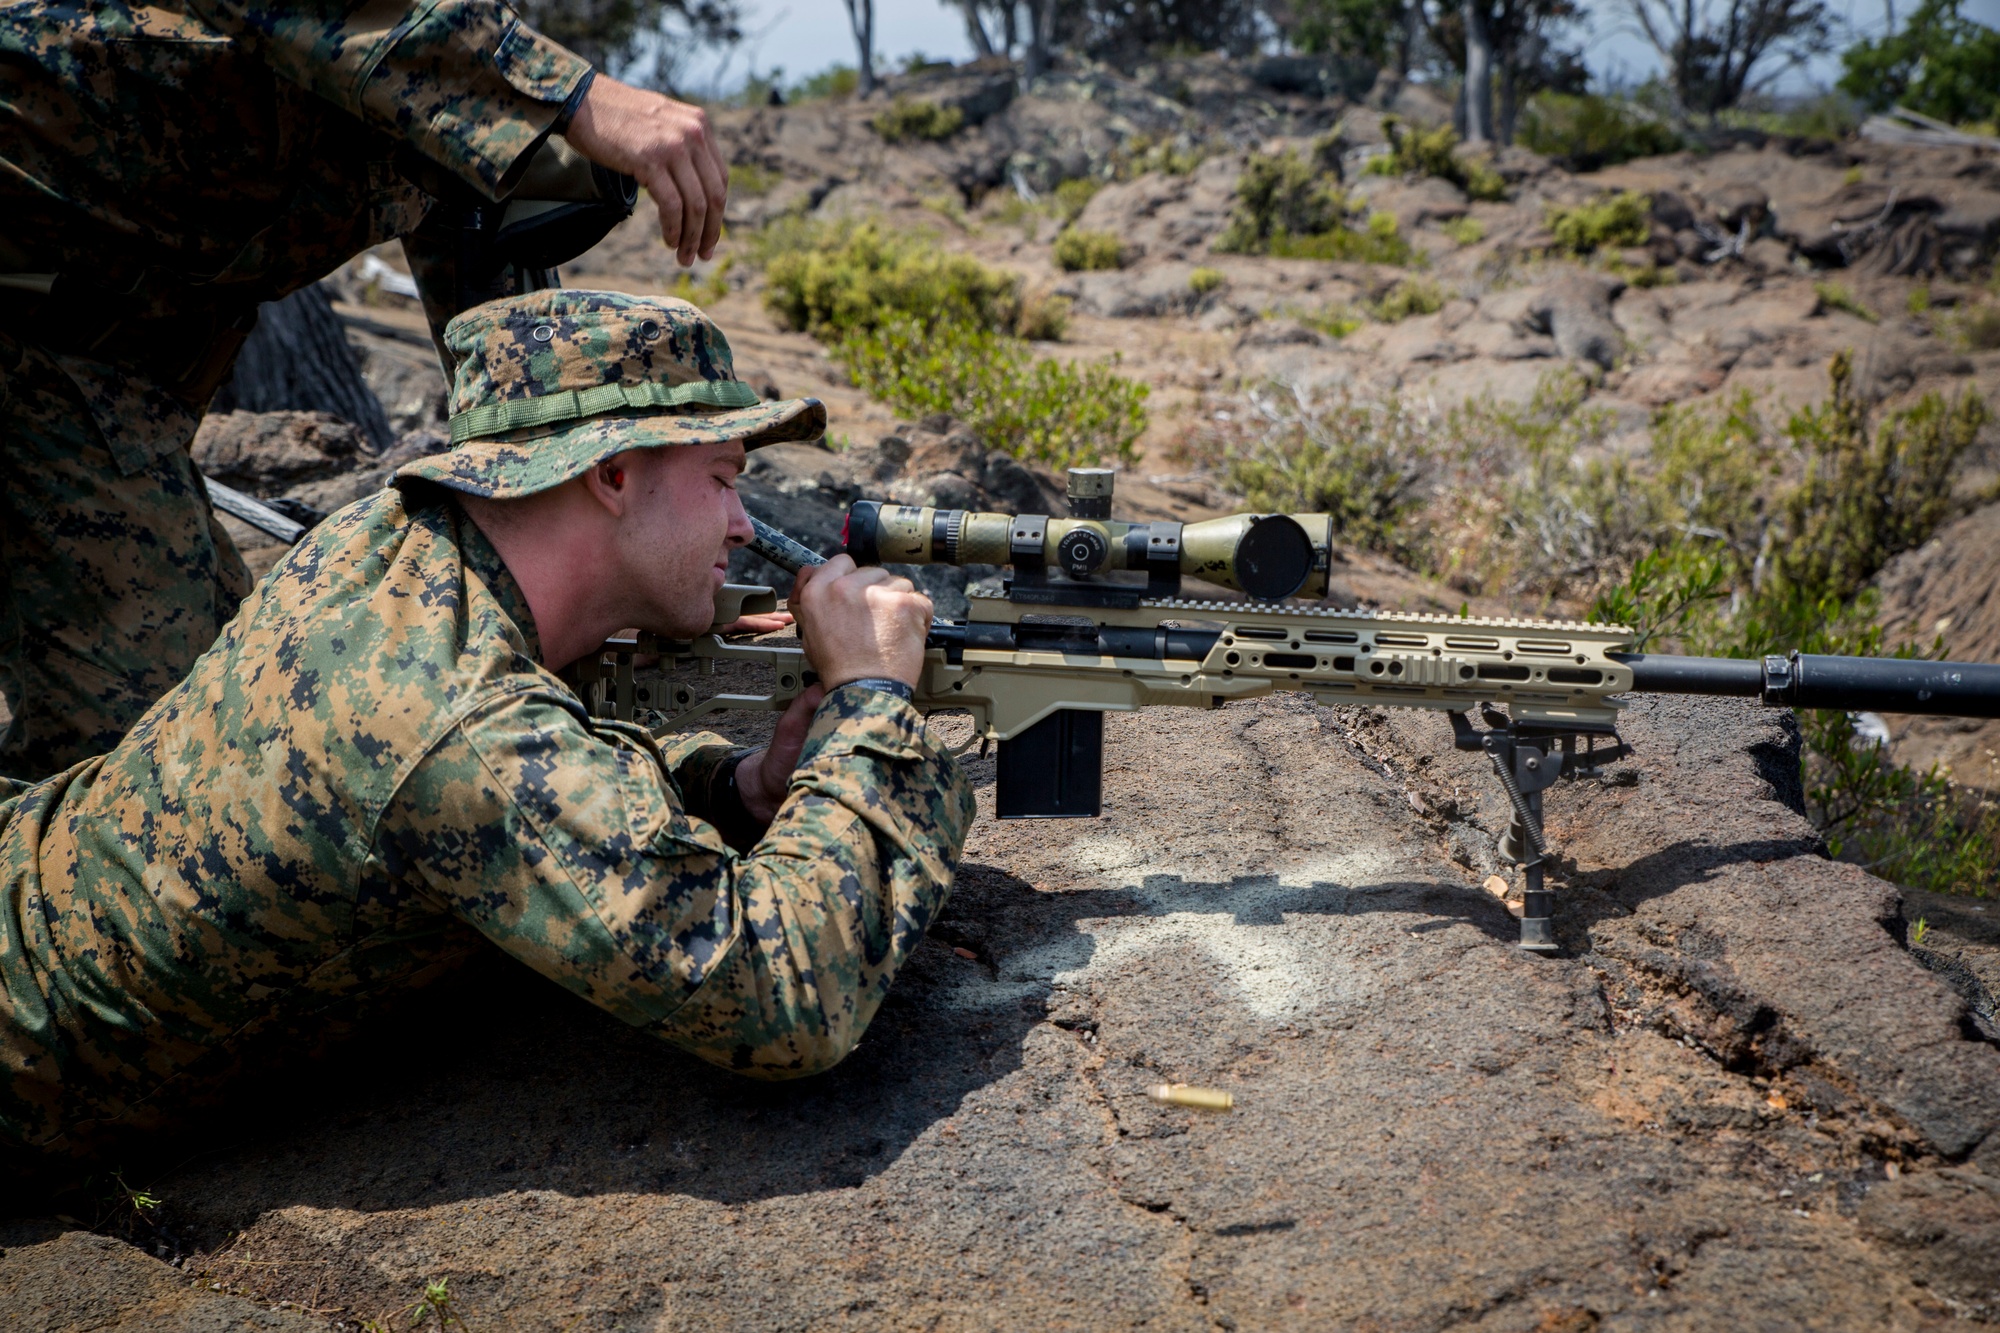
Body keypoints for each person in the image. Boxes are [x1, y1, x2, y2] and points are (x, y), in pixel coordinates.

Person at [0, 289, 977, 1167]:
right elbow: (782, 995)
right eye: (722, 477)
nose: (738, 520)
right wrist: (869, 708)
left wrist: (734, 790)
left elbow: (537, 768)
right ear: (612, 473)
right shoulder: (457, 714)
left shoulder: (393, 539)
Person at [0, 0, 732, 781]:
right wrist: (573, 94)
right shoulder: (444, 48)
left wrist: (625, 548)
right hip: (35, 317)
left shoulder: (463, 112)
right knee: (141, 768)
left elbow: (510, 375)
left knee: (224, 707)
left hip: (94, 374)